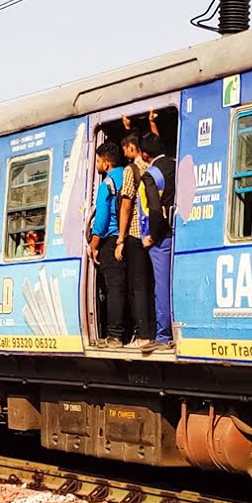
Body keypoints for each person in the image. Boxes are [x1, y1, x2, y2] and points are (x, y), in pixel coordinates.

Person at [138, 132, 176, 353]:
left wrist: (151, 235)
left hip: (161, 237)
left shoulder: (151, 174)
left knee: (161, 286)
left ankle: (163, 335)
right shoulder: (174, 165)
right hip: (178, 230)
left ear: (144, 154)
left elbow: (154, 208)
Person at [117, 129, 155, 349]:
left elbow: (126, 204)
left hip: (134, 234)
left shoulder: (131, 170)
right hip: (153, 233)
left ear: (132, 147)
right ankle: (153, 330)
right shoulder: (153, 167)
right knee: (149, 284)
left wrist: (121, 239)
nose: (124, 153)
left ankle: (143, 335)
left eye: (125, 148)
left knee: (136, 285)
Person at [90, 141, 127, 348]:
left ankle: (114, 335)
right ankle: (129, 331)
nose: (96, 165)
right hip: (130, 238)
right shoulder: (130, 174)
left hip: (111, 239)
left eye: (97, 161)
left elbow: (102, 218)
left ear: (106, 163)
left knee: (113, 288)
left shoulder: (108, 183)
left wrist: (94, 244)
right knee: (127, 287)